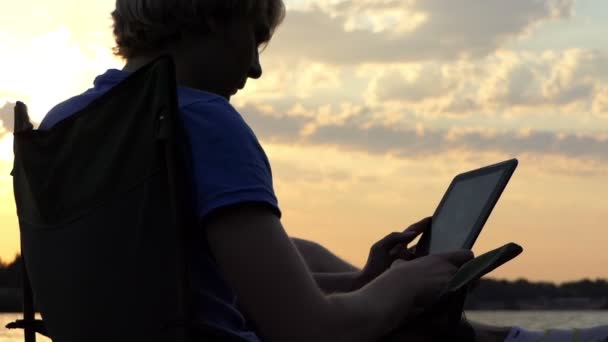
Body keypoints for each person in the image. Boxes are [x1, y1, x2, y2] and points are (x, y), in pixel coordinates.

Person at [39, 1, 607, 341]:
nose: (256, 69)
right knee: (404, 320)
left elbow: (174, 286)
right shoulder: (201, 119)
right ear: (216, 14)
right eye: (255, 38)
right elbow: (311, 334)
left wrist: (368, 282)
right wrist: (404, 285)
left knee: (306, 254)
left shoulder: (63, 127)